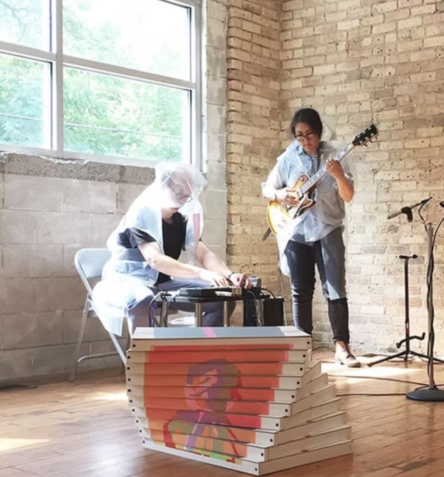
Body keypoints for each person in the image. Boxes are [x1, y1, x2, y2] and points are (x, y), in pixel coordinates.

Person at [94, 163, 253, 335]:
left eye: (187, 196)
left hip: (162, 283)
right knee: (143, 300)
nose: (182, 200)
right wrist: (201, 273)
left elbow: (203, 253)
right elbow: (155, 259)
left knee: (223, 299)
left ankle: (200, 352)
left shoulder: (181, 220)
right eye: (178, 193)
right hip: (127, 281)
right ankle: (145, 358)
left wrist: (229, 275)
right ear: (162, 186)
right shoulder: (142, 214)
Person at [262, 107, 359, 368]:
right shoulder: (288, 157)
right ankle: (303, 347)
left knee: (335, 288)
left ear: (320, 132)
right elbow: (267, 189)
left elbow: (347, 196)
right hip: (295, 231)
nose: (305, 141)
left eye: (310, 135)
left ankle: (341, 346)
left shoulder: (334, 156)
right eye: (299, 136)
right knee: (300, 292)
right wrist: (280, 195)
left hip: (328, 228)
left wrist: (338, 175)